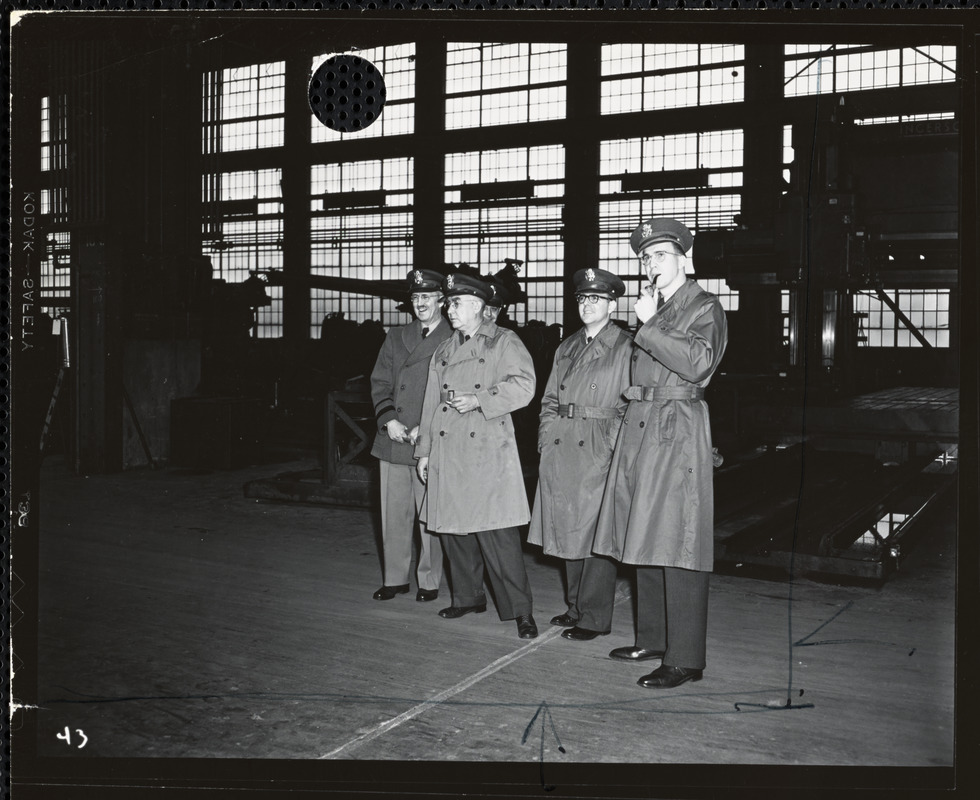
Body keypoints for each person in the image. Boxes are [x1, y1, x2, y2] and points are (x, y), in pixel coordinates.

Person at [592, 218, 728, 689]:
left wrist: (649, 322)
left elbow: (698, 364)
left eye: (661, 255)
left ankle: (686, 657)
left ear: (686, 260)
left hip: (677, 428)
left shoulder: (703, 306)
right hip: (641, 427)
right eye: (645, 257)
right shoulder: (658, 306)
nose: (651, 263)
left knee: (679, 539)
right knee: (643, 533)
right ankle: (653, 637)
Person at [415, 271, 539, 639]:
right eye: (450, 303)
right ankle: (468, 597)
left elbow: (525, 386)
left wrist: (481, 400)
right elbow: (429, 404)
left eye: (456, 303)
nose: (449, 309)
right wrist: (424, 451)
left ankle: (521, 612)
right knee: (455, 531)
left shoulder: (503, 341)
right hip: (448, 447)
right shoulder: (445, 349)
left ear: (480, 308)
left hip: (487, 448)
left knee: (497, 535)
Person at [527, 268, 632, 641]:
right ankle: (575, 606)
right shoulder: (567, 345)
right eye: (582, 299)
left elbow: (630, 405)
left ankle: (594, 617)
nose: (587, 305)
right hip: (562, 444)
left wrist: (611, 447)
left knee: (595, 536)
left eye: (596, 299)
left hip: (598, 445)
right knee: (568, 530)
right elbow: (550, 398)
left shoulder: (626, 346)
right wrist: (545, 434)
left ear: (612, 304)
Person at [368, 269, 452, 602]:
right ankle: (395, 578)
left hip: (428, 439)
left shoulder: (453, 336)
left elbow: (451, 389)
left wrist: (426, 426)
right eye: (415, 298)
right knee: (394, 512)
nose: (420, 304)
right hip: (393, 437)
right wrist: (388, 419)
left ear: (441, 301)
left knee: (429, 515)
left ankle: (429, 582)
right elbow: (379, 381)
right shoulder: (396, 335)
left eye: (427, 297)